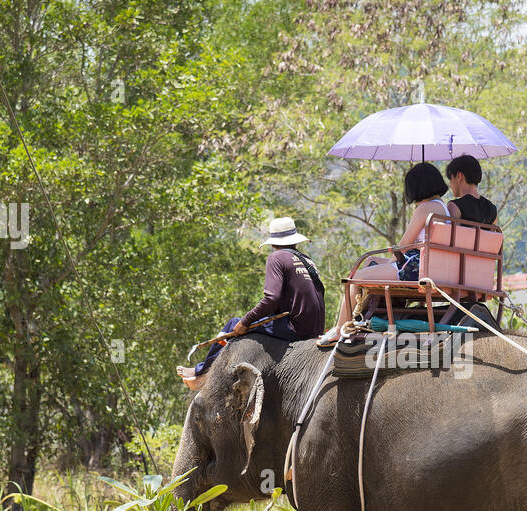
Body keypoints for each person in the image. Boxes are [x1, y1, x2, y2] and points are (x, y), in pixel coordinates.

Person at [177, 217, 325, 390]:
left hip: (295, 328)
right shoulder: (308, 261)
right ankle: (202, 369)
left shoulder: (276, 258)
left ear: (272, 243)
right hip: (316, 329)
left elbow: (271, 298)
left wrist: (245, 322)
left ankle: (202, 372)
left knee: (232, 324)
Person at [317, 162, 450, 346]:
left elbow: (403, 246)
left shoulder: (424, 209)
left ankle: (339, 329)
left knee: (356, 277)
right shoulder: (444, 207)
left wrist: (389, 264)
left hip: (415, 268)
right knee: (371, 260)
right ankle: (357, 317)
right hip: (427, 264)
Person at [445, 154, 497, 226]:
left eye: (450, 179)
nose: (450, 185)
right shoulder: (492, 209)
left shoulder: (454, 206)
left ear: (459, 176)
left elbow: (451, 235)